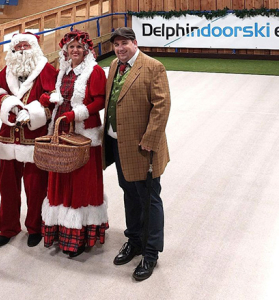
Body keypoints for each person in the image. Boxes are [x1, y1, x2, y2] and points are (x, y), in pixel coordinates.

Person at [102, 27, 171, 281]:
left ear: (135, 43)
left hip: (143, 148)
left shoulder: (153, 67)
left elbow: (161, 106)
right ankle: (134, 240)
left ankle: (151, 252)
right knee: (129, 193)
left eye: (124, 43)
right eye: (116, 45)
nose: (120, 48)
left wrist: (150, 140)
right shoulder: (113, 66)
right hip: (118, 145)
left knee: (149, 199)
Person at [40, 30, 108, 258]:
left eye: (79, 47)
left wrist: (75, 114)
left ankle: (79, 236)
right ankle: (60, 230)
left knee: (80, 183)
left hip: (84, 134)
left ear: (86, 49)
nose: (75, 51)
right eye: (71, 47)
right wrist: (48, 100)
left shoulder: (95, 72)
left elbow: (100, 101)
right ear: (66, 51)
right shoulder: (62, 72)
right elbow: (57, 96)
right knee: (60, 178)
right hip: (61, 133)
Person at [0, 32, 57, 248]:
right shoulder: (6, 71)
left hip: (35, 138)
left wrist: (32, 112)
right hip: (8, 138)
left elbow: (54, 97)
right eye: (18, 46)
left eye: (27, 45)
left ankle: (35, 227)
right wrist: (9, 106)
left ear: (34, 47)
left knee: (36, 186)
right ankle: (8, 228)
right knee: (7, 186)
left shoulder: (46, 69)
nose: (22, 49)